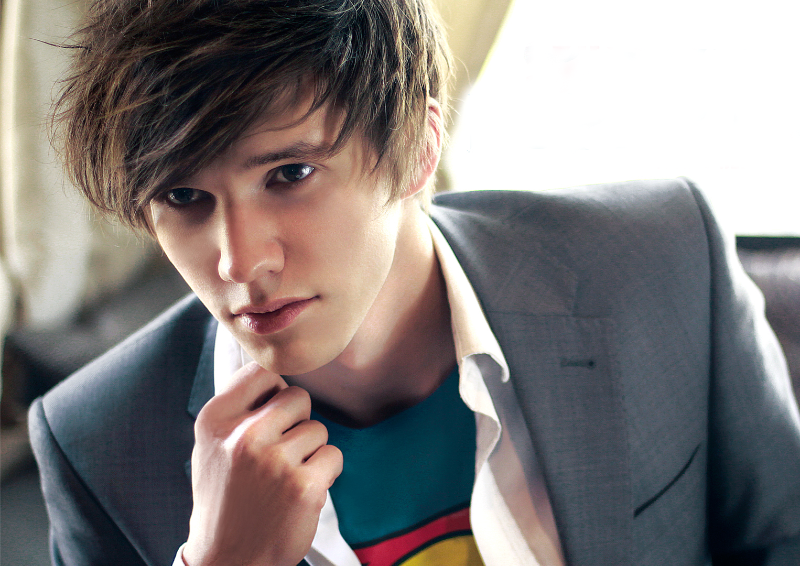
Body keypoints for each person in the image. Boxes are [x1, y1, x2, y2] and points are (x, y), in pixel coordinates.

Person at [29, 0, 800, 565]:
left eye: (289, 174)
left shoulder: (661, 260)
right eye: (183, 197)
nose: (239, 262)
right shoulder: (97, 444)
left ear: (420, 146)